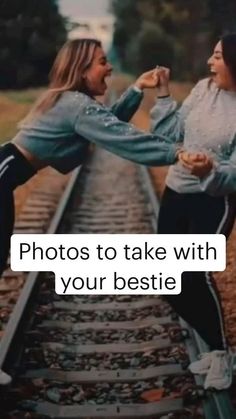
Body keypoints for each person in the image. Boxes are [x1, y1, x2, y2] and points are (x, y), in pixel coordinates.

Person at [0, 38, 186, 385]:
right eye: (102, 62)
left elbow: (104, 127)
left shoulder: (72, 103)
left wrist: (134, 90)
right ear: (82, 70)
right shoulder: (76, 106)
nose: (109, 67)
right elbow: (124, 139)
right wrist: (177, 152)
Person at [150, 33, 236, 390]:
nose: (209, 62)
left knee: (195, 272)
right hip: (176, 190)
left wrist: (209, 172)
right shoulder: (204, 89)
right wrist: (164, 93)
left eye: (217, 56)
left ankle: (221, 354)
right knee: (166, 277)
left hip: (214, 200)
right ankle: (215, 346)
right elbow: (170, 131)